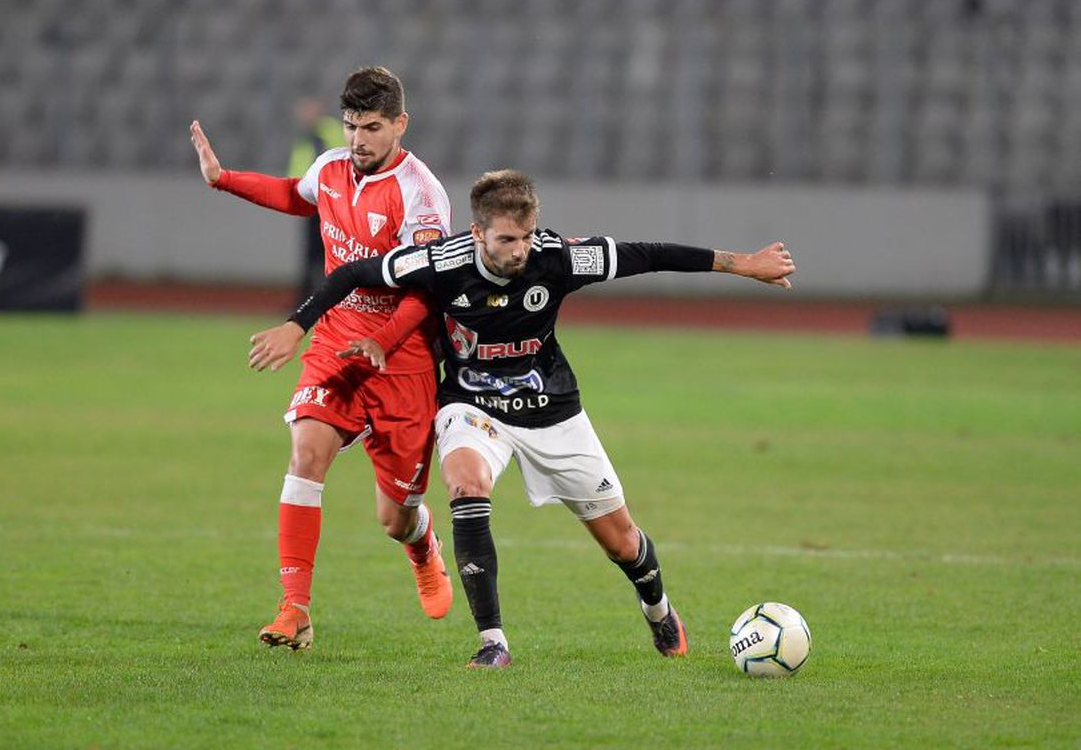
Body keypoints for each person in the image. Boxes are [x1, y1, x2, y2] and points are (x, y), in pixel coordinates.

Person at [248, 169, 796, 667]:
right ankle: (493, 642)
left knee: (622, 542)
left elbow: (647, 254)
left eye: (527, 237)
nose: (520, 251)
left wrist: (741, 264)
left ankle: (659, 611)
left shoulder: (556, 258)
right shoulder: (443, 261)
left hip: (552, 409)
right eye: (507, 239)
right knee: (465, 484)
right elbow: (353, 274)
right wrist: (298, 325)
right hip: (473, 406)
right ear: (478, 232)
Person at [190, 66, 454, 650]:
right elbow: (296, 195)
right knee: (306, 455)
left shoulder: (422, 195)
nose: (358, 139)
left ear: (400, 125)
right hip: (336, 341)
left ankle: (421, 542)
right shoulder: (331, 166)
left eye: (373, 127)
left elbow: (425, 292)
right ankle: (295, 609)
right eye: (352, 125)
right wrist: (223, 179)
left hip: (401, 356)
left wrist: (383, 341)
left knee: (396, 515)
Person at [287, 96, 347, 301]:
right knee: (313, 254)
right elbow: (298, 170)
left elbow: (338, 163)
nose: (304, 115)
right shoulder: (307, 137)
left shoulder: (326, 132)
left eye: (308, 109)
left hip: (328, 203)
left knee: (328, 253)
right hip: (311, 203)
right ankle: (308, 300)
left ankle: (325, 300)